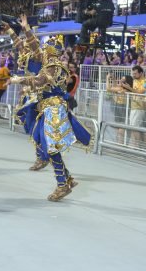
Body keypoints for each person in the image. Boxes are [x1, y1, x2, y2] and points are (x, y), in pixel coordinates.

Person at [12, 40, 91, 202]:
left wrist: (17, 80)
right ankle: (67, 179)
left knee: (51, 148)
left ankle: (62, 184)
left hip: (53, 110)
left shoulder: (53, 66)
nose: (39, 53)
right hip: (48, 109)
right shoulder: (54, 65)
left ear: (48, 53)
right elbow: (40, 81)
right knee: (47, 145)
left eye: (43, 51)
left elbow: (39, 81)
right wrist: (25, 28)